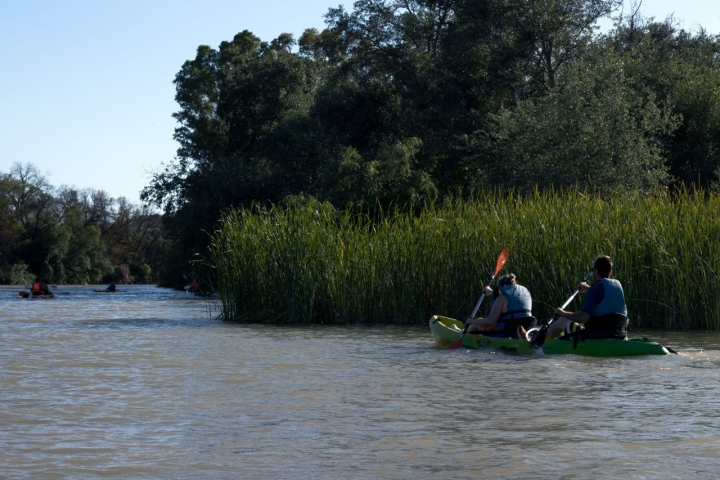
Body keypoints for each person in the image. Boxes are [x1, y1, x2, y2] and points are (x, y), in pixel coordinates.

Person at [542, 255, 629, 343]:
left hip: (596, 337)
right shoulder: (618, 286)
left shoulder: (594, 290)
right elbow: (605, 296)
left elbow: (583, 318)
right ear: (610, 272)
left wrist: (562, 313)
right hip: (619, 335)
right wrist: (589, 288)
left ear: (596, 272)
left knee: (563, 320)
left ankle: (540, 342)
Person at [464, 274, 537, 338]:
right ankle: (523, 335)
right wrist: (491, 292)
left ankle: (462, 334)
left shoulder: (501, 299)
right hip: (525, 328)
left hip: (504, 332)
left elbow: (490, 321)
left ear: (501, 288)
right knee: (479, 320)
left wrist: (471, 321)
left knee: (475, 324)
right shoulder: (523, 294)